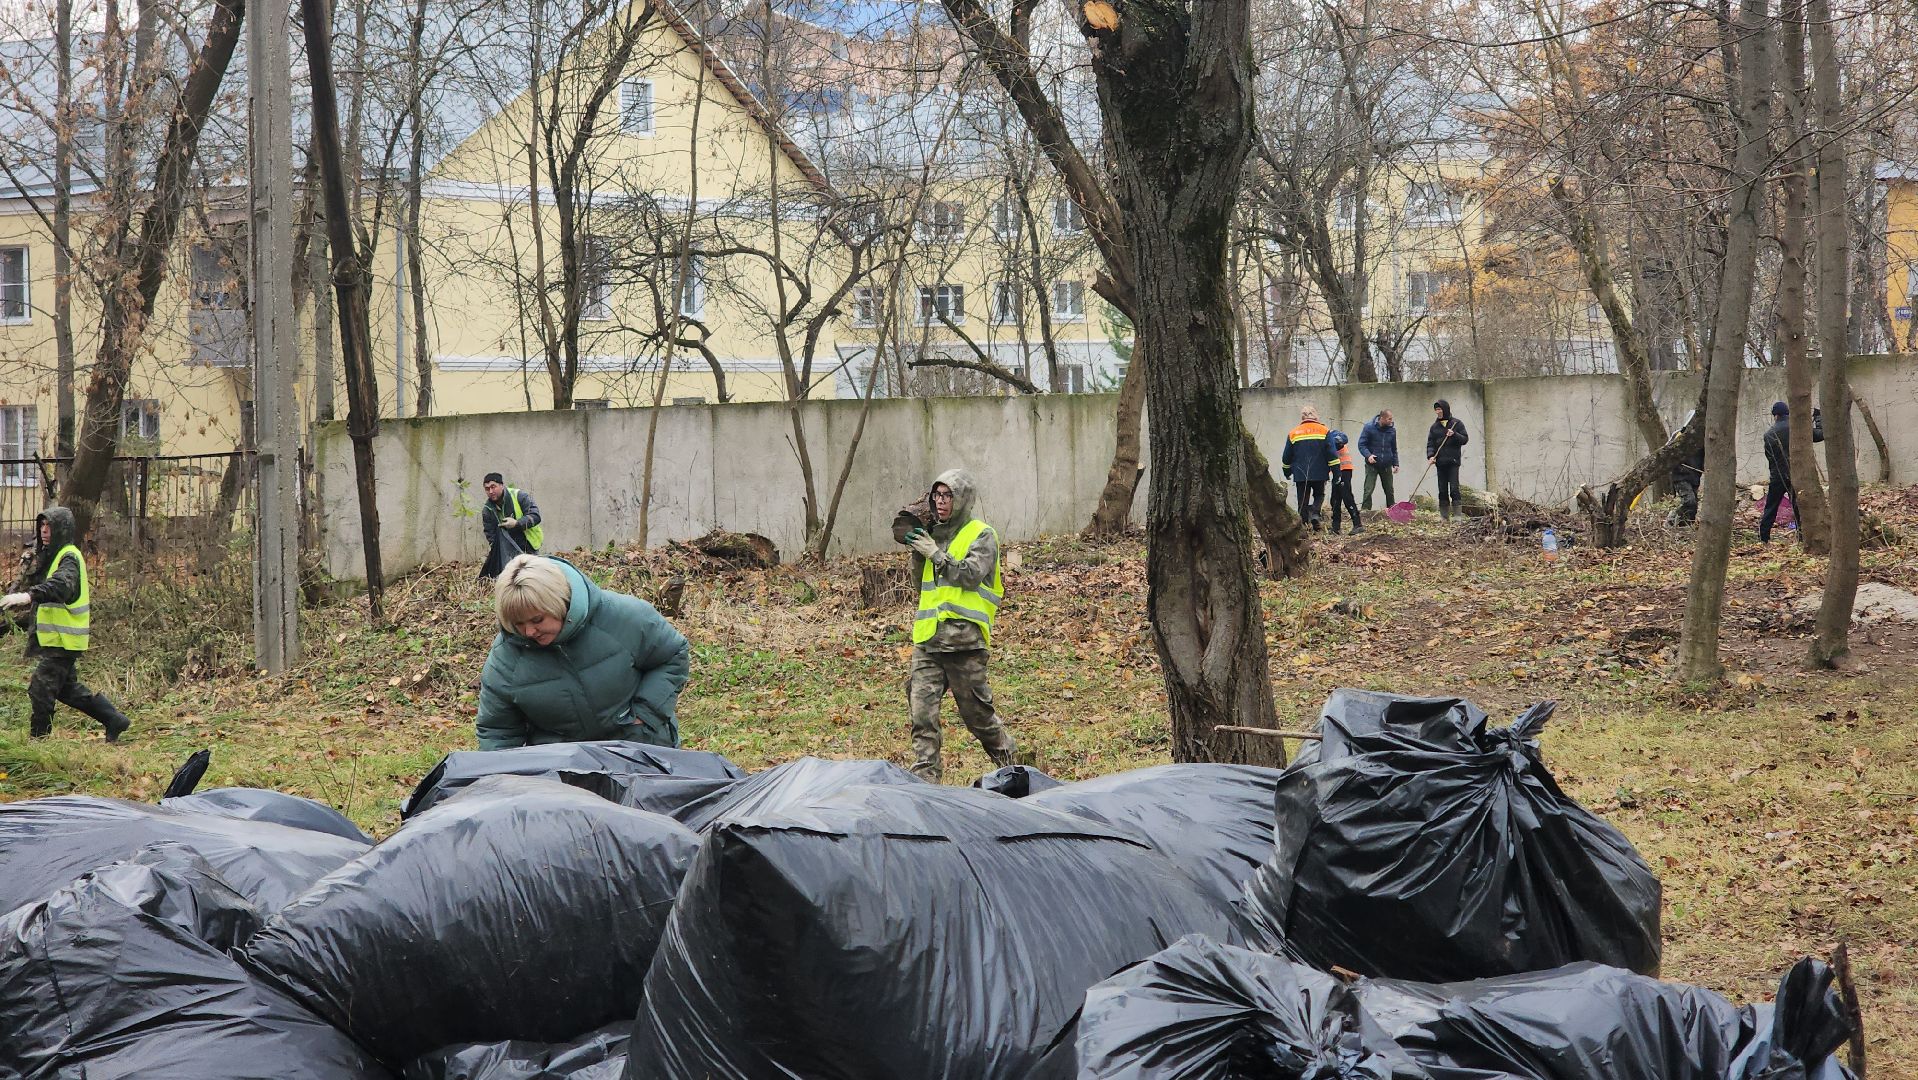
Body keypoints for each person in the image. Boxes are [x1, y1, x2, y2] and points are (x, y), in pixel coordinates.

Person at [477, 553, 689, 748]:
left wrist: (645, 715)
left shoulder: (624, 616)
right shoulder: (506, 659)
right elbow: (498, 731)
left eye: (537, 619)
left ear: (560, 602)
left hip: (642, 749)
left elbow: (672, 654)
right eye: (518, 624)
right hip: (564, 770)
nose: (529, 631)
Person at [902, 468, 1017, 782]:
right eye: (937, 495)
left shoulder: (982, 534)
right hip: (928, 642)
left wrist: (936, 555)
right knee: (922, 716)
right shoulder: (931, 535)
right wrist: (919, 554)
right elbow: (920, 586)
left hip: (964, 643)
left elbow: (970, 575)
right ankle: (926, 784)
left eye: (947, 495)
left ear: (963, 499)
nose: (940, 502)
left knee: (978, 718)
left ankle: (1016, 770)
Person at [1, 507, 131, 741]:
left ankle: (38, 742)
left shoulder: (68, 557)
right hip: (59, 639)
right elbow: (44, 597)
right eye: (41, 526)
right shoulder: (52, 556)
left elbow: (62, 586)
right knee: (67, 690)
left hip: (63, 640)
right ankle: (114, 719)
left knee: (40, 688)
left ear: (62, 529)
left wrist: (27, 596)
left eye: (49, 526)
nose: (44, 531)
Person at [1760, 401, 1823, 543]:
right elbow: (1820, 435)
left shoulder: (1769, 435)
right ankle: (1802, 537)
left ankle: (1763, 538)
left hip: (1778, 476)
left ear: (1775, 416)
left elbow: (1770, 458)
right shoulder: (1798, 428)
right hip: (1797, 474)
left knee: (1771, 507)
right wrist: (1818, 418)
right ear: (1788, 413)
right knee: (1798, 506)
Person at [479, 473, 543, 580]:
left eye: (493, 487)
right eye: (487, 489)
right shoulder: (487, 510)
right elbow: (491, 536)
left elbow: (535, 516)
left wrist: (517, 523)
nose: (490, 491)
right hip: (509, 551)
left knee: (534, 577)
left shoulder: (519, 496)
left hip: (529, 544)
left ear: (502, 485)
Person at [1281, 405, 1333, 532]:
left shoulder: (1293, 433)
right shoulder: (1324, 431)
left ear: (1302, 417)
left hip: (1300, 474)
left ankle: (1303, 527)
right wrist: (1336, 472)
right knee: (1319, 495)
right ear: (1316, 415)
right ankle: (1315, 513)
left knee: (1302, 500)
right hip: (1320, 472)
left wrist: (1287, 471)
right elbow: (1332, 454)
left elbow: (1286, 456)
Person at [1427, 399, 1470, 521]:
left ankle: (1457, 516)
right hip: (1440, 463)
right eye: (1436, 410)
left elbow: (1465, 439)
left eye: (1440, 409)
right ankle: (1444, 516)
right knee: (1442, 489)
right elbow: (1430, 444)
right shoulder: (1434, 427)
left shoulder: (1457, 423)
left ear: (1445, 409)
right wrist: (1431, 456)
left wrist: (1454, 434)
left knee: (1454, 488)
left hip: (1453, 462)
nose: (1438, 412)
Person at [1358, 409, 1399, 510]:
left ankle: (1392, 510)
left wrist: (1396, 463)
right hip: (1372, 464)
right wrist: (1368, 455)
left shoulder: (1392, 430)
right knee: (1368, 489)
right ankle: (1365, 512)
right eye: (1389, 419)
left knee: (1389, 490)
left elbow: (1394, 448)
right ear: (1382, 418)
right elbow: (1362, 445)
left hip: (1386, 464)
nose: (1391, 421)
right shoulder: (1369, 428)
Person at [1328, 428, 1363, 534]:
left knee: (1346, 496)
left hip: (1344, 469)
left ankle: (1357, 524)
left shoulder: (1332, 435)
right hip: (1337, 471)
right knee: (1335, 499)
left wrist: (1330, 442)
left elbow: (1342, 439)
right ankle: (1335, 527)